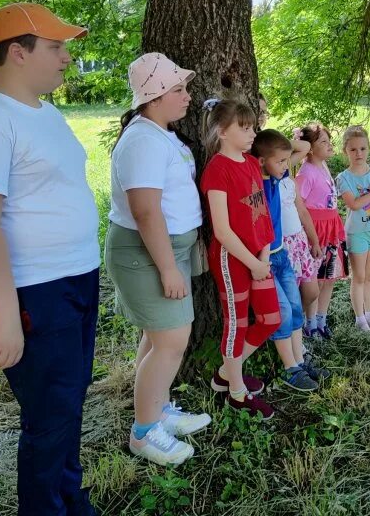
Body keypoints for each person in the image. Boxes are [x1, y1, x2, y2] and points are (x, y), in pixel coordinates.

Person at [0, 2, 100, 515]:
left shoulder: (46, 111)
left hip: (75, 279)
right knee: (50, 417)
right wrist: (6, 316)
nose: (66, 59)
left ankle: (70, 501)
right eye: (55, 48)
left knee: (68, 404)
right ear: (17, 52)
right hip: (32, 291)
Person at [105, 53, 210, 465]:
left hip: (166, 250)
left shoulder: (158, 133)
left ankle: (157, 410)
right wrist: (168, 267)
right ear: (153, 96)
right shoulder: (144, 140)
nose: (187, 96)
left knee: (156, 337)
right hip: (148, 255)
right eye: (178, 89)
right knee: (171, 342)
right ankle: (145, 433)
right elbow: (145, 212)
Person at [199, 98, 280, 419]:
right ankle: (236, 392)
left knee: (270, 319)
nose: (252, 133)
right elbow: (222, 230)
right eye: (244, 128)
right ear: (222, 131)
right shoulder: (217, 170)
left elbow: (260, 213)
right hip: (232, 261)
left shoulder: (249, 162)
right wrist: (252, 262)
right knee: (237, 323)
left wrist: (263, 254)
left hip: (259, 256)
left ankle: (226, 373)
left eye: (252, 126)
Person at [251, 130, 329, 388]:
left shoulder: (277, 175)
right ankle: (289, 368)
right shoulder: (256, 182)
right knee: (283, 311)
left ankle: (299, 359)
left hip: (282, 252)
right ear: (262, 161)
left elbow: (304, 146)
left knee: (295, 306)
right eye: (282, 161)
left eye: (286, 161)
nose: (287, 167)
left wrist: (276, 147)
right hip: (266, 258)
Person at [335, 125, 370, 333]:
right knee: (358, 276)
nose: (358, 153)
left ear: (368, 149)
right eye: (353, 150)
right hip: (356, 232)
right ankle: (360, 318)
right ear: (345, 151)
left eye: (363, 149)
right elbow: (354, 204)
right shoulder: (344, 178)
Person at [295, 122, 349, 339]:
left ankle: (321, 320)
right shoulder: (306, 172)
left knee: (329, 277)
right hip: (316, 232)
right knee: (315, 279)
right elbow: (299, 205)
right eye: (323, 142)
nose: (329, 145)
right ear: (309, 148)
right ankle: (309, 324)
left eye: (329, 140)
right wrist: (312, 237)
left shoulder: (323, 166)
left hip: (332, 227)